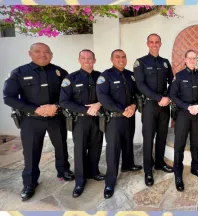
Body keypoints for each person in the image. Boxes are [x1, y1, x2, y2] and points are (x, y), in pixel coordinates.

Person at [3, 42, 74, 201]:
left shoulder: (60, 72)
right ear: (30, 54)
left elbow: (68, 95)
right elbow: (8, 97)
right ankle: (30, 183)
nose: (43, 55)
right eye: (38, 51)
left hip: (56, 117)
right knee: (31, 151)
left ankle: (63, 171)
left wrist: (55, 106)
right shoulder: (19, 73)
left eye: (47, 52)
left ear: (51, 54)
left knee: (61, 146)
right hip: (31, 119)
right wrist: (35, 109)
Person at [59, 49, 105, 198]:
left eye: (90, 58)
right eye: (84, 58)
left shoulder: (101, 77)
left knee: (96, 147)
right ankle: (80, 181)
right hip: (80, 120)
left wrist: (98, 104)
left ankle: (94, 172)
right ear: (79, 60)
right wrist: (85, 110)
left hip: (98, 118)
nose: (87, 60)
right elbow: (64, 101)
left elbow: (108, 96)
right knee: (79, 150)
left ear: (94, 60)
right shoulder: (71, 79)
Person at [133, 33, 174, 187]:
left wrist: (168, 98)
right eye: (151, 42)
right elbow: (140, 85)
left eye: (157, 42)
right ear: (147, 44)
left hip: (164, 105)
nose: (154, 44)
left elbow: (173, 82)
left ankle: (159, 163)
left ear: (160, 44)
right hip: (150, 105)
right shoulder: (141, 62)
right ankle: (148, 170)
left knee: (162, 135)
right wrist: (158, 98)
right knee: (149, 137)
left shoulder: (165, 63)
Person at [96, 49, 138, 199]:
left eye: (123, 57)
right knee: (113, 150)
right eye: (117, 57)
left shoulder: (130, 75)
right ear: (112, 59)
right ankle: (110, 181)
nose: (121, 59)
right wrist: (122, 110)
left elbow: (136, 95)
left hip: (129, 117)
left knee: (128, 143)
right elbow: (103, 98)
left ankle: (128, 165)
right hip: (114, 119)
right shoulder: (105, 76)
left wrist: (133, 106)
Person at [169, 50, 198, 191]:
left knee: (196, 143)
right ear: (185, 60)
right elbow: (173, 95)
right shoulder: (179, 76)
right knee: (179, 145)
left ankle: (195, 167)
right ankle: (178, 173)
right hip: (183, 115)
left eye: (194, 58)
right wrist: (187, 106)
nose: (192, 60)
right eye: (190, 58)